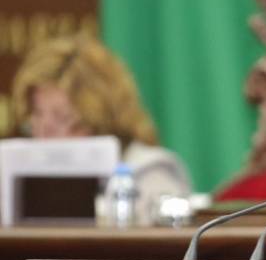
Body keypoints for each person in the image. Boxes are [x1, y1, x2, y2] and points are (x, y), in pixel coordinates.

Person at [11, 34, 191, 221]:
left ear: (99, 121)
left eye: (63, 118)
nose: (44, 133)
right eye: (37, 115)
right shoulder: (22, 180)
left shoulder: (150, 172)